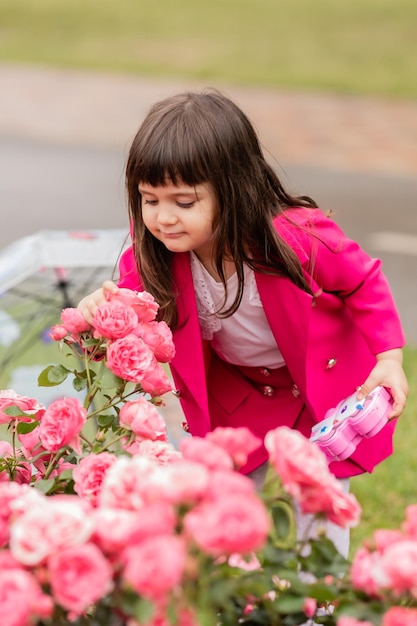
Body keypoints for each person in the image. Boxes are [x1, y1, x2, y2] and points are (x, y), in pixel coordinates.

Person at [78, 89, 408, 556]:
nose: (162, 218)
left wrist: (389, 359)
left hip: (319, 387)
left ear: (232, 191)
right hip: (242, 393)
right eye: (149, 200)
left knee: (319, 501)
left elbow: (362, 282)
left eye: (184, 202)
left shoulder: (295, 237)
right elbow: (130, 312)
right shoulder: (154, 257)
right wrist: (101, 311)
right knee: (224, 503)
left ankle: (319, 600)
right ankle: (235, 590)